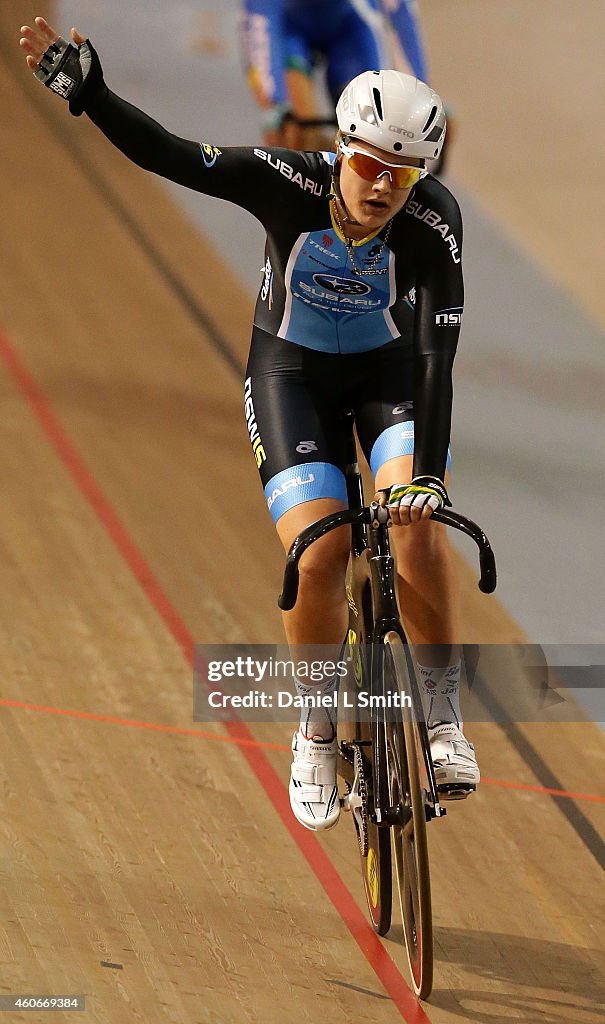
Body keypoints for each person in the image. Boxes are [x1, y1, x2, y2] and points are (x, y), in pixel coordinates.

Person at [20, 17, 479, 832]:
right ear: (340, 150)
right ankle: (313, 728)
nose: (380, 188)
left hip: (388, 382)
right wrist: (94, 97)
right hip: (290, 376)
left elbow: (437, 361)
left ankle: (441, 718)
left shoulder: (433, 223)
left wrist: (428, 481)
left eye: (401, 177)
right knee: (320, 552)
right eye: (369, 165)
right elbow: (173, 152)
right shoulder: (285, 182)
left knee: (416, 528)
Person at [239, 0, 451, 170]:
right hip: (290, 28)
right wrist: (276, 101)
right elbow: (260, 22)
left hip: (350, 27)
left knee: (377, 126)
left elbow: (402, 18)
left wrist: (418, 94)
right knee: (296, 131)